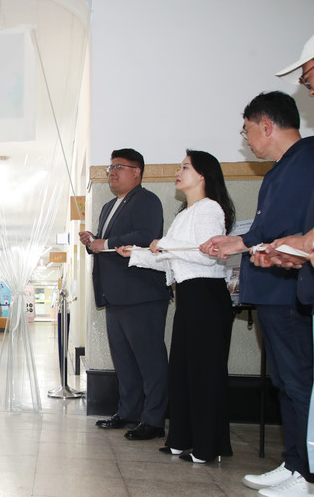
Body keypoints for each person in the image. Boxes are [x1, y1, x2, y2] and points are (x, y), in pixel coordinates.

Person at [201, 91, 314, 496]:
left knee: (298, 381)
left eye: (247, 130)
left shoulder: (308, 159)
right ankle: (295, 462)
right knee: (284, 381)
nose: (246, 139)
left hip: (290, 289)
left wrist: (256, 244)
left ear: (266, 125)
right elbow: (266, 232)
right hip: (272, 289)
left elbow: (294, 232)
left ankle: (306, 474)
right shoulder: (279, 170)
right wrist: (239, 242)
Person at [117, 150, 235, 463]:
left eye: (185, 167)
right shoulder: (185, 214)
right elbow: (171, 259)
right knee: (182, 370)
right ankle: (181, 439)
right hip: (189, 296)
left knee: (203, 372)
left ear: (203, 175)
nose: (178, 172)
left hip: (207, 296)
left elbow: (207, 255)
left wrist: (164, 245)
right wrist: (137, 254)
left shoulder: (210, 209)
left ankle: (208, 447)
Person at [78, 148, 170, 441]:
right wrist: (93, 241)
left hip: (141, 293)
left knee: (150, 359)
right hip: (115, 294)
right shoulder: (108, 206)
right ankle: (129, 412)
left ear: (137, 172)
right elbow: (106, 246)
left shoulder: (146, 200)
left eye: (119, 167)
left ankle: (153, 419)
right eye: (110, 168)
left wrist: (104, 243)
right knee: (124, 360)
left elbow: (146, 236)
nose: (112, 173)